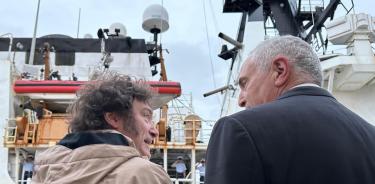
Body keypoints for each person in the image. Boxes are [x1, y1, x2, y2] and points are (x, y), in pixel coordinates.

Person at [205, 35, 375, 184]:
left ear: (280, 70)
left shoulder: (240, 128)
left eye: (244, 83)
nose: (241, 100)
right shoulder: (370, 135)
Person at [32, 73, 171, 184]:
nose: (155, 131)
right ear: (114, 118)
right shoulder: (145, 175)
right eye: (146, 116)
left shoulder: (43, 172)